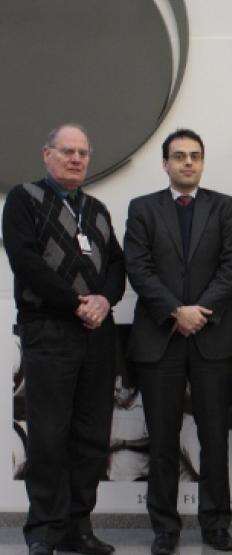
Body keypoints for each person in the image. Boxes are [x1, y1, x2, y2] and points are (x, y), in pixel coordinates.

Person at [3, 123, 125, 555]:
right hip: (49, 330)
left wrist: (105, 301)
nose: (76, 159)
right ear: (47, 155)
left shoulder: (96, 209)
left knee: (91, 435)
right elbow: (26, 263)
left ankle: (78, 527)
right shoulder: (22, 200)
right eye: (67, 151)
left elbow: (116, 266)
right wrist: (77, 304)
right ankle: (44, 531)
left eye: (83, 153)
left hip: (96, 333)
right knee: (49, 435)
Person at [124, 128, 232, 554]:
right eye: (179, 156)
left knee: (214, 438)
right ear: (165, 164)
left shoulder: (224, 207)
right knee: (161, 439)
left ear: (203, 162)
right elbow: (137, 268)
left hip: (211, 338)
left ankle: (215, 525)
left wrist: (198, 312)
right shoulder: (142, 209)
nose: (188, 162)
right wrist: (177, 311)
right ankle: (165, 529)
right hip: (161, 338)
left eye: (195, 155)